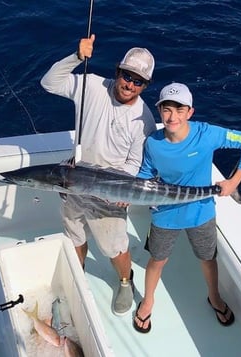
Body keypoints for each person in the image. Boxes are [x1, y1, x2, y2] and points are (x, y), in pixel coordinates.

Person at [40, 34, 156, 316]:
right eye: (127, 75)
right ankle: (78, 272)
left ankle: (126, 282)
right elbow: (49, 83)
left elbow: (134, 163)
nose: (130, 84)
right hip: (74, 179)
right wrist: (76, 57)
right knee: (74, 234)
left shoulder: (145, 120)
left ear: (145, 85)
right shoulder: (91, 85)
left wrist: (120, 189)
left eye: (138, 81)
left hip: (110, 193)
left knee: (114, 247)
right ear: (118, 71)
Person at [133, 82, 241, 333]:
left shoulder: (206, 134)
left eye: (180, 110)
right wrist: (129, 192)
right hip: (165, 214)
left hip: (201, 212)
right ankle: (148, 300)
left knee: (208, 259)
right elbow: (145, 175)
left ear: (190, 112)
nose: (172, 116)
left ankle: (214, 297)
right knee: (157, 259)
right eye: (167, 110)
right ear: (159, 111)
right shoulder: (153, 143)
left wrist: (233, 182)